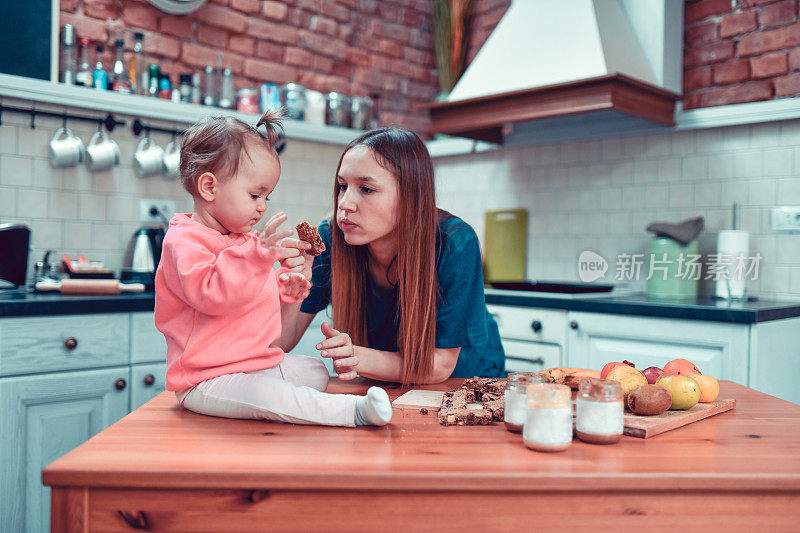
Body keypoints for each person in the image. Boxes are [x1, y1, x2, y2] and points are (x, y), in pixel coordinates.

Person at [154, 111, 392, 427]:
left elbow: (255, 295)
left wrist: (289, 285)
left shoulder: (242, 241)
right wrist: (257, 256)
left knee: (314, 371)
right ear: (209, 187)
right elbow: (211, 294)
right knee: (269, 394)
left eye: (267, 196)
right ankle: (354, 412)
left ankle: (286, 401)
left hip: (249, 365)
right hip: (205, 377)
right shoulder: (184, 241)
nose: (263, 206)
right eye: (255, 195)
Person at [275, 127, 504, 385]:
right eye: (342, 186)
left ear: (410, 196)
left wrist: (358, 358)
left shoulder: (455, 243)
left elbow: (440, 365)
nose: (345, 203)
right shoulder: (331, 241)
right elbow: (281, 343)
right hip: (384, 383)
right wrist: (295, 287)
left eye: (366, 189)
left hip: (464, 383)